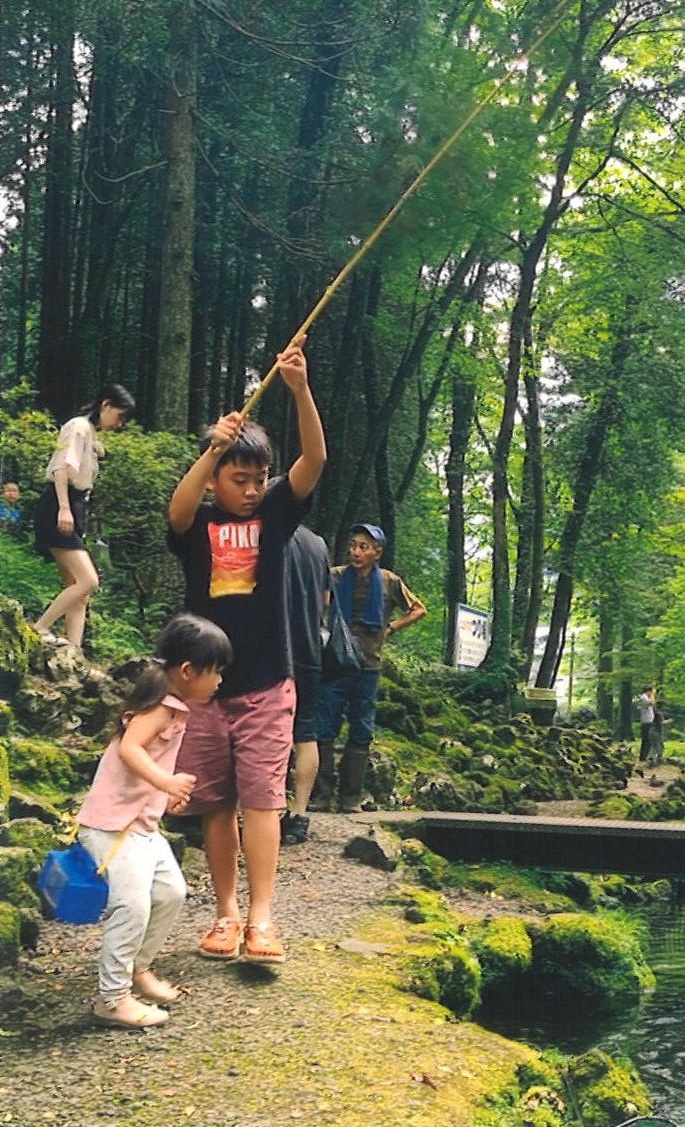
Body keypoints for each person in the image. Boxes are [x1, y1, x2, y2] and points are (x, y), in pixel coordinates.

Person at [166, 341, 325, 964]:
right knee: (216, 805)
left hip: (266, 683)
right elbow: (177, 510)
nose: (253, 489)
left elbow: (315, 456)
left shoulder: (280, 514)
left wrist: (300, 389)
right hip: (205, 689)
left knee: (263, 801)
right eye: (240, 478)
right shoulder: (199, 524)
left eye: (260, 478)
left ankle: (262, 919)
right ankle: (225, 915)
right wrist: (210, 452)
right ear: (217, 477)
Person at [77, 613, 232, 1029]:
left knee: (171, 893)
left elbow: (145, 763)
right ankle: (112, 998)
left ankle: (136, 968)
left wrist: (164, 796)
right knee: (132, 904)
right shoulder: (161, 707)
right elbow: (131, 749)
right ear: (187, 671)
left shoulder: (175, 707)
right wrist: (166, 780)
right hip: (113, 827)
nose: (219, 681)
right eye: (215, 672)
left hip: (141, 826)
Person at [319, 523, 426, 813]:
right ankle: (321, 795)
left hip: (369, 664)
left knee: (361, 728)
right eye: (353, 545)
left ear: (377, 552)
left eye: (363, 547)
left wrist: (391, 627)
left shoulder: (389, 581)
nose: (356, 551)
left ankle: (350, 798)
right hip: (335, 663)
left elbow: (418, 609)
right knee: (325, 725)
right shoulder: (336, 576)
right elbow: (319, 603)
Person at [33, 384, 135, 647]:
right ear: (106, 405)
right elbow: (61, 469)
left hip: (74, 506)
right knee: (89, 581)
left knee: (78, 589)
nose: (119, 423)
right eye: (119, 415)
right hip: (59, 504)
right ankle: (39, 628)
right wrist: (64, 509)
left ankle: (74, 651)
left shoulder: (88, 433)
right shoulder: (78, 427)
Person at [279, 525, 330, 846]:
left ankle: (267, 810)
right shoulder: (318, 543)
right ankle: (299, 813)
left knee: (270, 727)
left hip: (272, 648)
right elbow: (326, 597)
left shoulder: (268, 532)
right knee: (305, 731)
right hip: (310, 648)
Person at [638, 686, 656, 763]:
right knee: (647, 739)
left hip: (648, 721)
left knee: (648, 740)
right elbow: (652, 702)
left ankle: (645, 756)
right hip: (646, 722)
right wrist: (653, 694)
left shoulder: (645, 698)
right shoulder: (644, 697)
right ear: (648, 691)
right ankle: (643, 757)